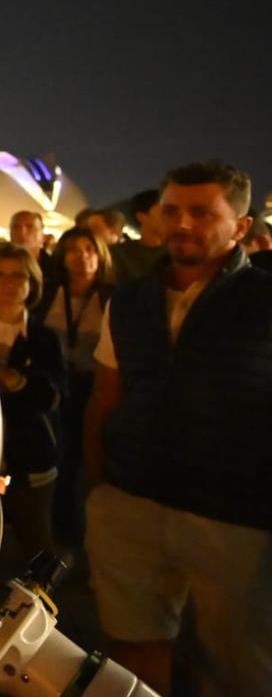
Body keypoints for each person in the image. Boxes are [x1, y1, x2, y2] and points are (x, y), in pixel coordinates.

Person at [83, 162, 272, 696]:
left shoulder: (263, 300)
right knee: (134, 655)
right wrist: (101, 493)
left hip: (234, 517)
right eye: (172, 211)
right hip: (131, 503)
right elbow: (104, 400)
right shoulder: (131, 300)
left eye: (202, 212)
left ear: (239, 226)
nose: (182, 223)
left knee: (238, 666)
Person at [0, 244, 65, 564]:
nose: (7, 284)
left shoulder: (44, 337)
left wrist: (9, 377)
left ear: (32, 283)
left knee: (34, 538)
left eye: (17, 276)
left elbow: (52, 398)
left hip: (29, 456)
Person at [36, 227, 113, 549]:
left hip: (96, 388)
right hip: (59, 390)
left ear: (101, 255)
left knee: (96, 462)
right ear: (62, 257)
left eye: (89, 249)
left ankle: (100, 536)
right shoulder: (47, 294)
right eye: (73, 250)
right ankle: (64, 536)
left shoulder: (114, 297)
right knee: (62, 462)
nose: (82, 257)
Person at [110, 189, 164, 285]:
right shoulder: (119, 254)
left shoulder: (177, 251)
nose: (168, 217)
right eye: (162, 211)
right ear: (141, 217)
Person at [9, 210, 55, 285]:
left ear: (42, 235)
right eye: (16, 227)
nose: (22, 232)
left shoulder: (55, 268)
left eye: (30, 227)